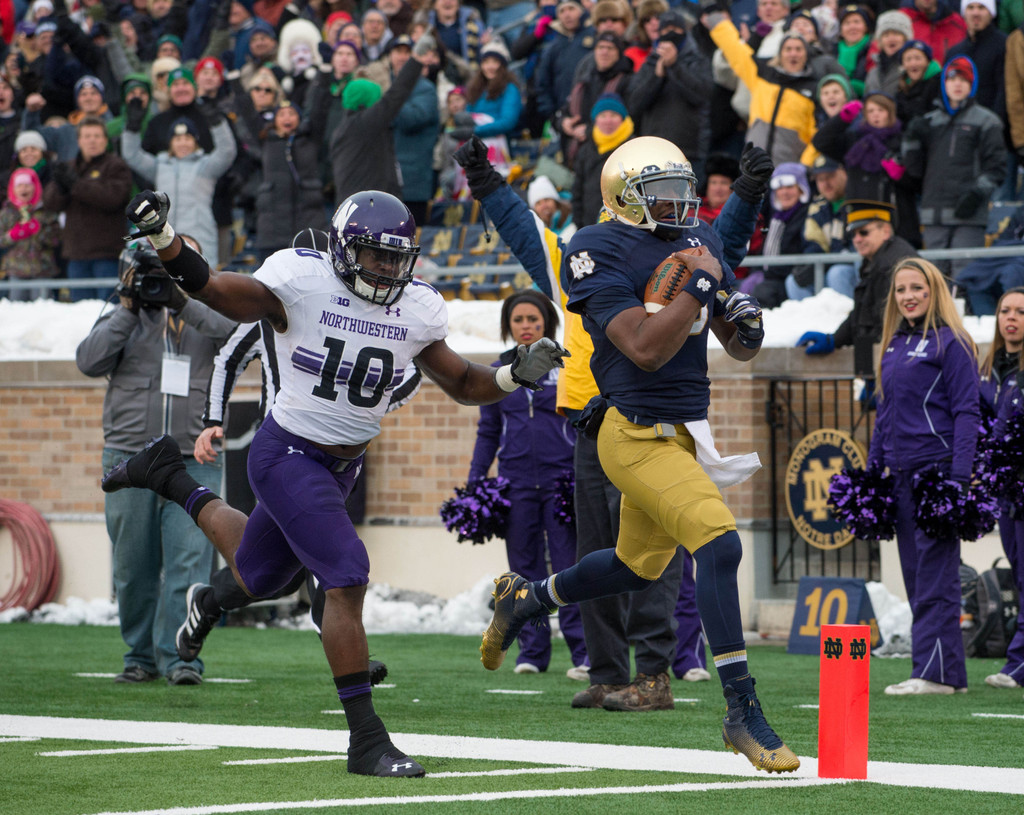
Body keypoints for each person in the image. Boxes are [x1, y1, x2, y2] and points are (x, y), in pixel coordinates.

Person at [105, 186, 569, 776]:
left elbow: (462, 383)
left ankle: (168, 476)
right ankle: (366, 740)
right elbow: (217, 290)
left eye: (397, 256)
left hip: (340, 467)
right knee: (346, 575)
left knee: (260, 573)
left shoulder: (417, 307)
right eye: (375, 254)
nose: (386, 267)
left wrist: (510, 374)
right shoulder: (301, 279)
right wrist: (165, 239)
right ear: (344, 248)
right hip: (286, 453)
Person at [470, 136, 797, 770]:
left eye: (684, 191)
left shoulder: (693, 244)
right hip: (631, 429)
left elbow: (738, 345)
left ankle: (528, 598)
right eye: (664, 193)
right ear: (625, 197)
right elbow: (645, 348)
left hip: (683, 428)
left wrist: (742, 317)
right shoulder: (595, 249)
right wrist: (701, 284)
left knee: (634, 566)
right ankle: (742, 711)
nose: (680, 205)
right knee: (719, 543)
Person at [76, 238, 236, 685]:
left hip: (193, 456)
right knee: (132, 566)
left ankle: (182, 658)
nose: (166, 275)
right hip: (129, 457)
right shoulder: (123, 315)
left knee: (189, 563)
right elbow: (88, 361)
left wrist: (183, 302)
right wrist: (129, 306)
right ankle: (139, 656)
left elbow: (238, 336)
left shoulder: (211, 315)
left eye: (179, 265)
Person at [868, 257, 979, 694]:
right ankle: (949, 674)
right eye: (901, 290)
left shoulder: (951, 343)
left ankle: (931, 673)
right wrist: (875, 472)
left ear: (935, 292)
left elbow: (967, 412)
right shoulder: (894, 344)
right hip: (900, 476)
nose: (908, 296)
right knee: (917, 577)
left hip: (937, 472)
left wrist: (959, 477)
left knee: (936, 577)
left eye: (917, 288)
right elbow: (885, 411)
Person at [466, 289, 587, 676]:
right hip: (514, 484)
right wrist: (475, 478)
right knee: (523, 571)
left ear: (546, 323)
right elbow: (488, 432)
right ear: (509, 325)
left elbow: (580, 423)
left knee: (569, 569)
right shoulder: (498, 371)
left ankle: (583, 653)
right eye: (518, 320)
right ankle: (532, 654)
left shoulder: (565, 365)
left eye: (533, 319)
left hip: (561, 482)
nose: (526, 326)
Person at [903, 55, 1006, 288]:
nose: (957, 84)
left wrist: (976, 195)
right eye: (952, 79)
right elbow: (914, 170)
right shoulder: (929, 121)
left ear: (972, 85)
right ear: (944, 84)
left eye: (964, 80)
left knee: (964, 276)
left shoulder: (987, 121)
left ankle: (966, 322)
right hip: (933, 213)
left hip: (968, 214)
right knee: (934, 279)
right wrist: (911, 139)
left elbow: (997, 167)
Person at [796, 200, 920, 379]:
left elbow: (890, 324)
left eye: (864, 232)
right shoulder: (877, 259)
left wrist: (883, 377)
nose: (857, 239)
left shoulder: (893, 264)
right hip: (880, 360)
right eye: (853, 235)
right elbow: (864, 313)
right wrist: (835, 339)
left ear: (885, 231)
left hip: (896, 366)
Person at [981, 289, 1024, 690]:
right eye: (1005, 311)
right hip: (1007, 494)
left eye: (1021, 312)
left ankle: (1018, 664)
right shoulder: (990, 369)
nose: (1011, 318)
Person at [42, 116, 133, 302]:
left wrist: (75, 184)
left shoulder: (116, 166)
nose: (92, 140)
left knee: (107, 312)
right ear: (79, 140)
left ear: (105, 140)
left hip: (107, 254)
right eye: (87, 136)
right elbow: (50, 204)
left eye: (97, 136)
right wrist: (60, 188)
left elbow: (113, 198)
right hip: (76, 254)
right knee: (79, 316)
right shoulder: (69, 166)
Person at [0, 167, 60, 300]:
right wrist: (12, 236)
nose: (24, 189)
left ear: (35, 187)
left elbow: (56, 240)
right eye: (19, 185)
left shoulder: (45, 211)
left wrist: (38, 232)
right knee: (16, 309)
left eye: (27, 185)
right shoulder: (6, 213)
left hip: (42, 269)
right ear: (13, 189)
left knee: (42, 309)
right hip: (15, 269)